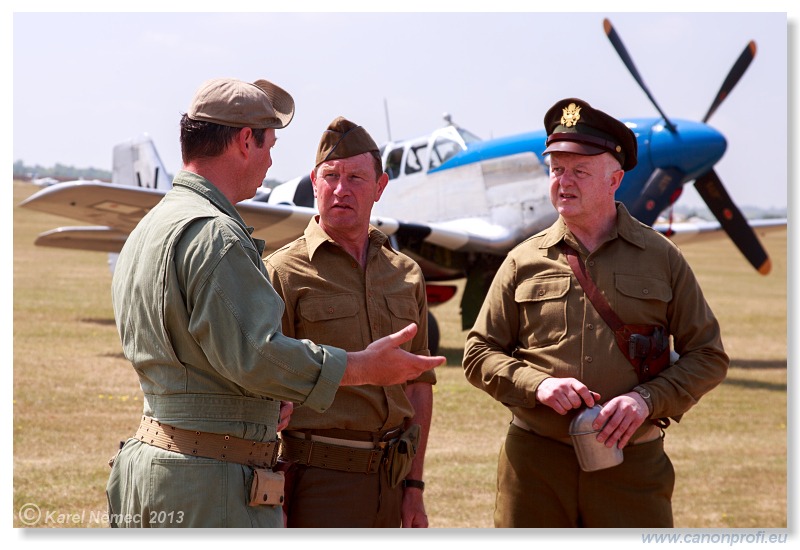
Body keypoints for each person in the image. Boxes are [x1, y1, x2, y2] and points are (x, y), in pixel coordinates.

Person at [107, 78, 443, 528]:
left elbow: (204, 361)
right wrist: (364, 367)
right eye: (270, 144)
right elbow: (258, 356)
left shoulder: (152, 226)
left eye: (357, 178)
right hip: (209, 484)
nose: (271, 160)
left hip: (158, 465)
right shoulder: (217, 236)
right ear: (246, 140)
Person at [462, 97, 729, 528]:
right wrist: (538, 385)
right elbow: (478, 354)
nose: (563, 182)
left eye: (579, 171)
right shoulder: (521, 260)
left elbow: (708, 356)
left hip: (632, 466)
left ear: (615, 179)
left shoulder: (663, 258)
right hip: (535, 467)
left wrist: (646, 400)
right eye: (556, 170)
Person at [265, 117, 434, 528]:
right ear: (314, 181)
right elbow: (263, 390)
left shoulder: (406, 273)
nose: (341, 189)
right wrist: (272, 492)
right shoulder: (281, 272)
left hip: (392, 481)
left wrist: (414, 489)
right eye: (331, 176)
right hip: (315, 480)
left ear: (380, 187)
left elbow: (418, 387)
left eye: (356, 177)